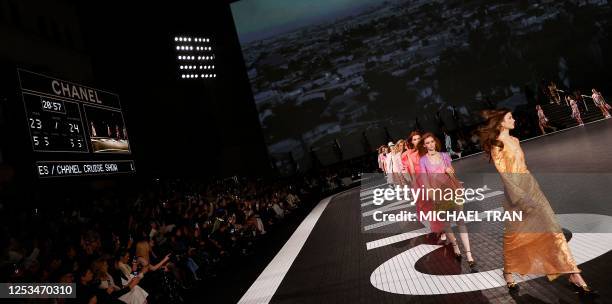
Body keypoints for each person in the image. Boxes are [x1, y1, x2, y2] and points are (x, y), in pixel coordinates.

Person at [477, 109, 597, 294]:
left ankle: (573, 273)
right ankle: (508, 271)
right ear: (501, 123)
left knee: (552, 228)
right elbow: (505, 175)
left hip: (532, 187)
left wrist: (531, 189)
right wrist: (521, 198)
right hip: (516, 194)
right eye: (510, 118)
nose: (514, 119)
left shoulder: (515, 140)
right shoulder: (497, 145)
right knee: (515, 236)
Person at [418, 133, 475, 270]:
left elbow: (452, 172)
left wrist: (450, 171)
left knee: (461, 221)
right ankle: (455, 246)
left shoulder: (444, 156)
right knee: (447, 223)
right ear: (424, 145)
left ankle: (469, 255)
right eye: (428, 143)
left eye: (432, 141)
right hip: (438, 194)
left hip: (452, 189)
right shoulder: (423, 160)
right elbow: (425, 182)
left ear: (435, 142)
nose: (431, 144)